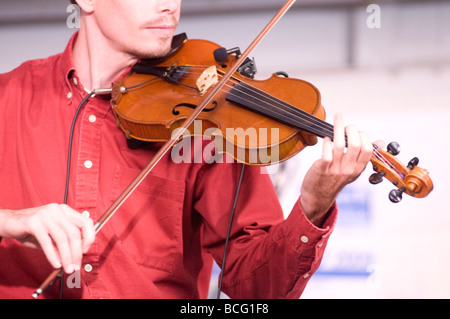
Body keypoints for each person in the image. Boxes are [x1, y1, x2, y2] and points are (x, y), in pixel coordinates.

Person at [0, 0, 375, 299]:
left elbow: (259, 289)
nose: (170, 7)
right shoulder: (8, 97)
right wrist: (10, 220)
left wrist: (313, 204)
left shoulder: (207, 121)